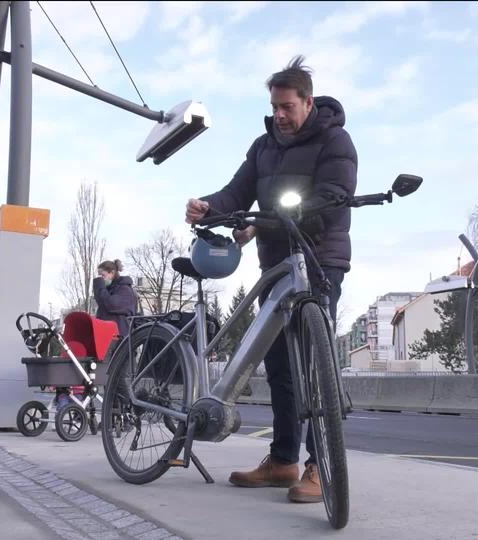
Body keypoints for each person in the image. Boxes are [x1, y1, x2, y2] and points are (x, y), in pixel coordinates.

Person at [184, 55, 357, 503]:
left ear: (308, 102)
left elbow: (337, 193)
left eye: (287, 107)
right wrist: (209, 205)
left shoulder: (335, 140)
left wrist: (293, 210)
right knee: (279, 365)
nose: (280, 115)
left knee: (315, 366)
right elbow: (237, 192)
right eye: (275, 107)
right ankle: (283, 461)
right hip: (277, 266)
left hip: (319, 260)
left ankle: (321, 467)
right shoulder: (263, 147)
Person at [92, 259, 138, 337]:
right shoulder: (110, 289)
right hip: (110, 335)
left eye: (103, 275)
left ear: (112, 273)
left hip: (119, 336)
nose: (101, 279)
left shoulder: (125, 289)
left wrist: (99, 286)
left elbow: (110, 305)